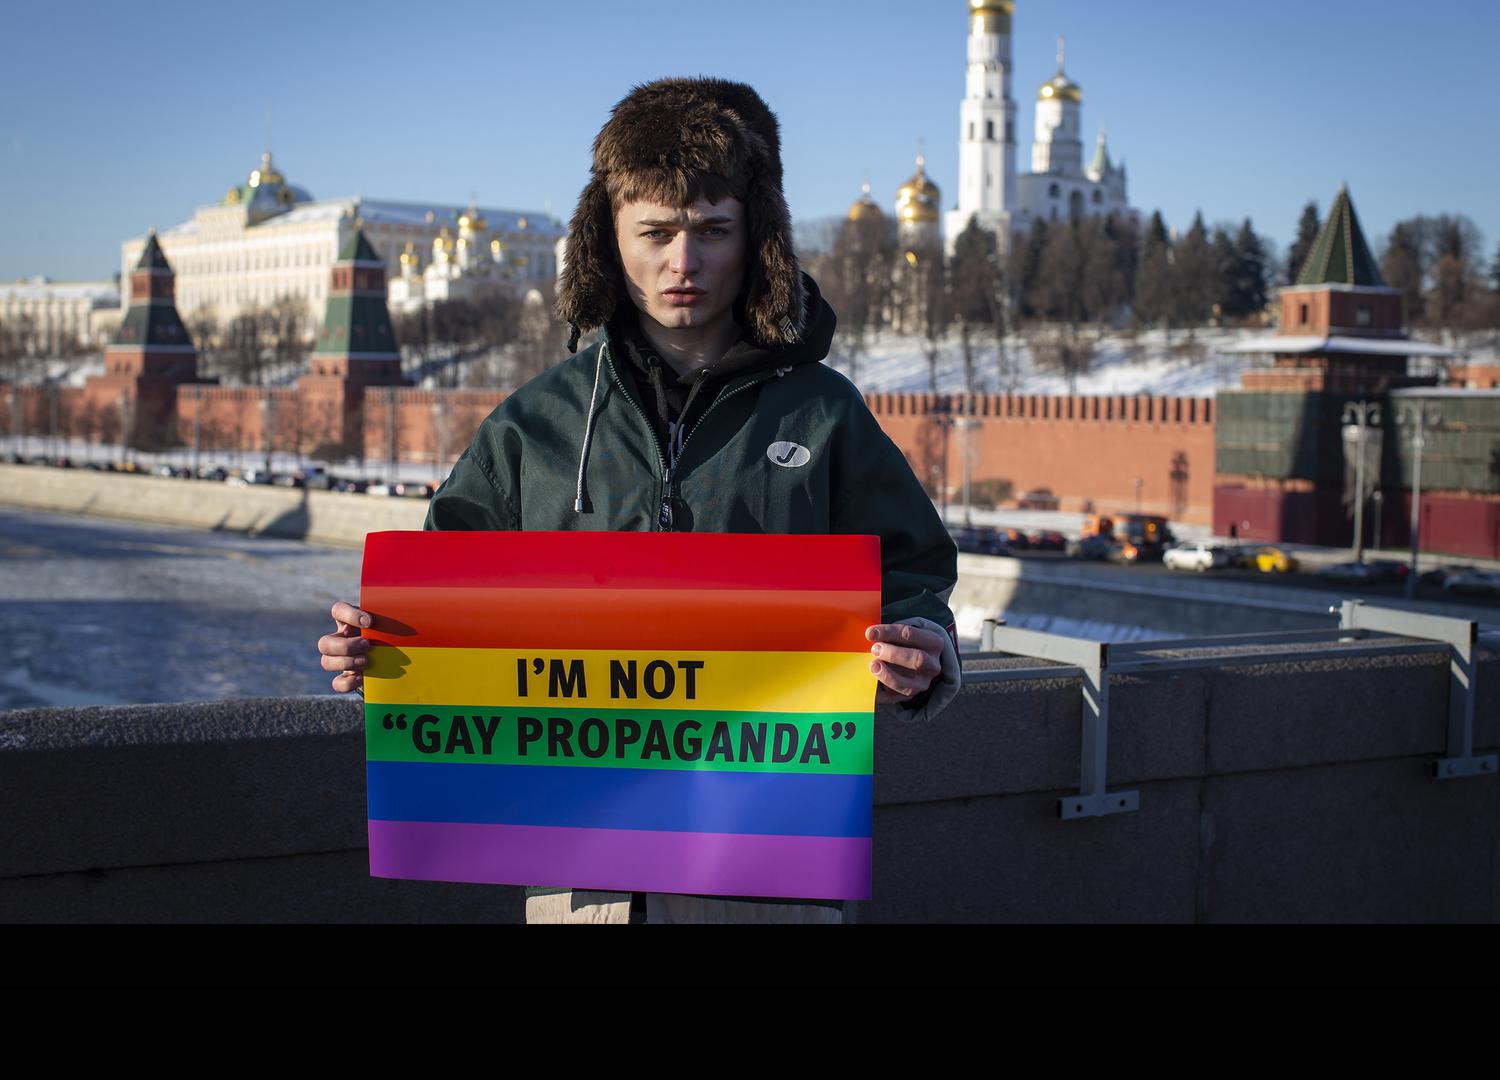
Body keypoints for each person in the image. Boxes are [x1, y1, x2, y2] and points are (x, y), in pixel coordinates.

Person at [318, 77, 960, 923]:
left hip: (762, 874)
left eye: (713, 231)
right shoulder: (537, 422)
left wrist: (920, 651)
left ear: (757, 238)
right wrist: (377, 649)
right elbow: (441, 597)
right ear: (608, 238)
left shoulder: (821, 412)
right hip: (583, 882)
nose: (683, 263)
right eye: (655, 232)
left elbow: (913, 576)